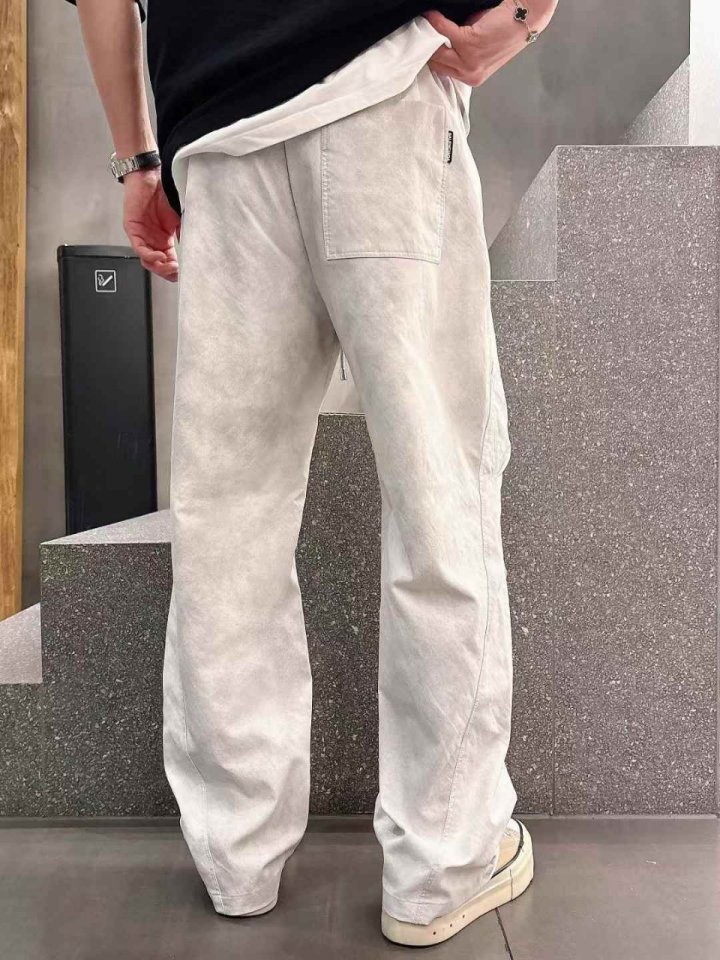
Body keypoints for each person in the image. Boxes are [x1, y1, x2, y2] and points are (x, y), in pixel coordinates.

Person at [65, 0, 558, 946]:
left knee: (230, 520)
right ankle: (441, 867)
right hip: (379, 86)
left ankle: (237, 855)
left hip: (218, 135)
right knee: (437, 493)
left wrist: (138, 160)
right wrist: (532, 12)